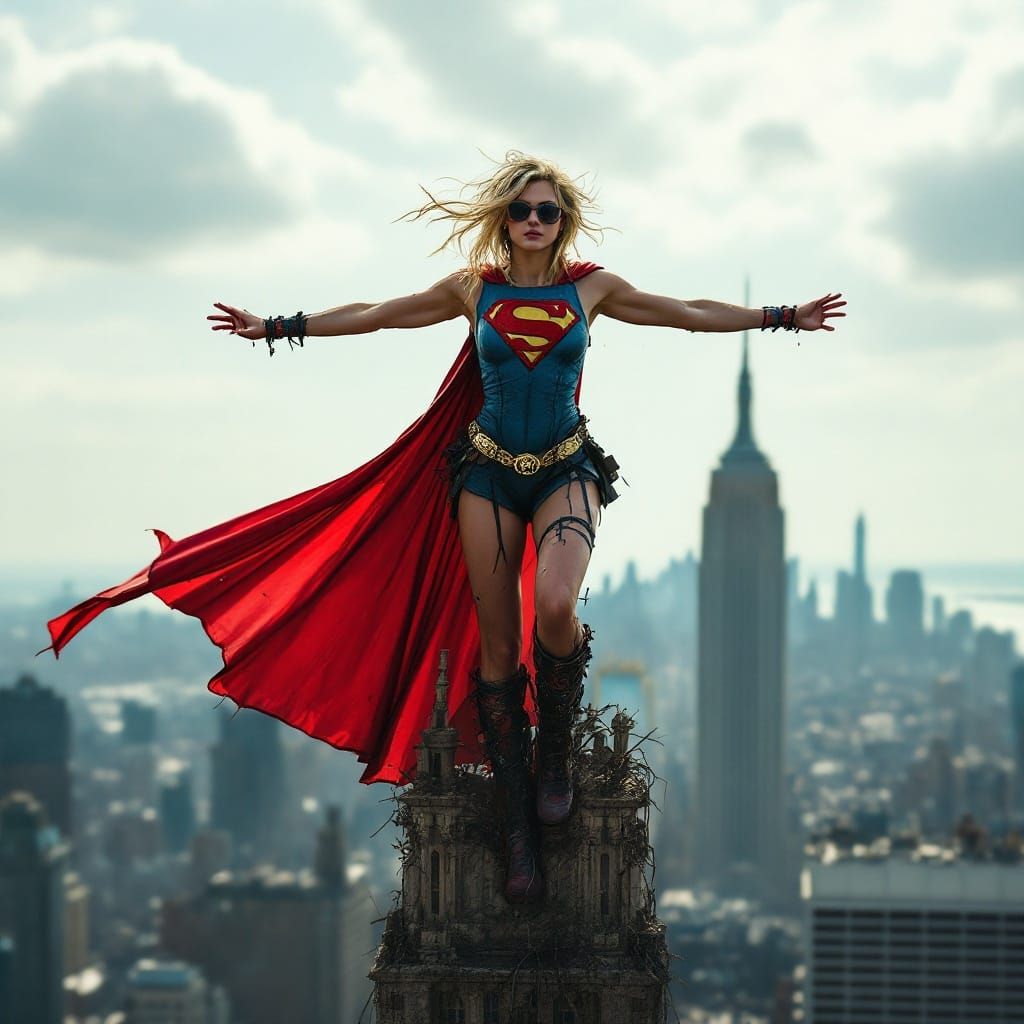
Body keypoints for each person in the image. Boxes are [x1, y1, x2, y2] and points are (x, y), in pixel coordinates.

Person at [46, 151, 845, 904]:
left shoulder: (591, 289)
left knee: (558, 609)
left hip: (567, 467)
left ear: (565, 221)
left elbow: (686, 314)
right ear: (506, 218)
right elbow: (381, 314)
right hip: (487, 472)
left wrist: (782, 316)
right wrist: (280, 326)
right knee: (497, 651)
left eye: (551, 209)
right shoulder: (475, 290)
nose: (536, 219)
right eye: (524, 209)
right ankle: (519, 826)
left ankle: (555, 754)